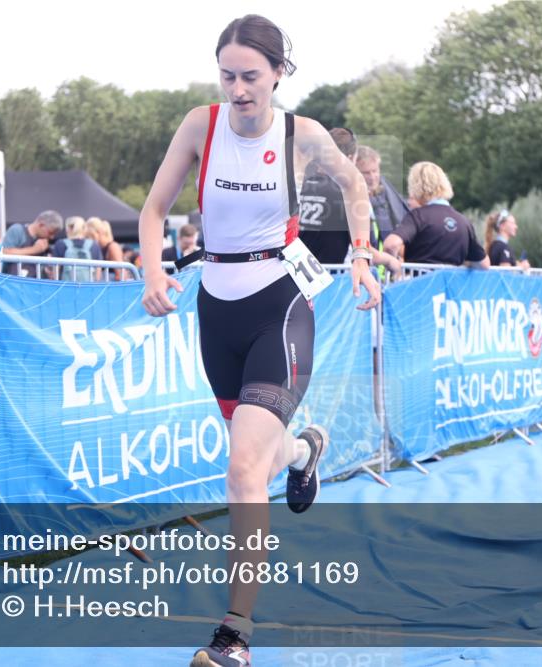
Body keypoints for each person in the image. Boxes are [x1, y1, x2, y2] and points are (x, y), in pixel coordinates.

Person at [136, 15, 381, 667]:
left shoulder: (303, 135)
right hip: (216, 312)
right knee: (264, 459)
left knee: (243, 469)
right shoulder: (200, 125)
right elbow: (153, 209)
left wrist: (360, 255)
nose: (239, 89)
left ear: (277, 73)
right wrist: (154, 267)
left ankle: (234, 636)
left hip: (282, 304)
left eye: (250, 76)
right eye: (227, 76)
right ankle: (305, 449)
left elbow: (355, 185)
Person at [298, 130, 401, 276]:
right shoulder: (347, 194)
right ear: (350, 158)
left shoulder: (300, 185)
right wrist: (390, 261)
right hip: (331, 281)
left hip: (296, 276)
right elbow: (363, 250)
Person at [382, 161, 489, 268]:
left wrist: (394, 267)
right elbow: (484, 264)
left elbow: (391, 244)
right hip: (451, 284)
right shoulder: (464, 222)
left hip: (421, 283)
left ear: (415, 187)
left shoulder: (418, 216)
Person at [355, 145, 409, 242]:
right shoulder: (348, 200)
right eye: (366, 173)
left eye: (375, 171)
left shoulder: (388, 193)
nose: (372, 177)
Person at [1, 210, 62, 277]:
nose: (52, 237)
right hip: (11, 282)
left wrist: (48, 270)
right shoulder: (17, 230)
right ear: (41, 225)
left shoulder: (46, 243)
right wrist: (35, 249)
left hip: (34, 284)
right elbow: (5, 252)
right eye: (50, 233)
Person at [52, 216, 103, 281]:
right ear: (84, 228)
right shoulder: (94, 245)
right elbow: (98, 274)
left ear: (68, 228)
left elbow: (55, 272)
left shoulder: (60, 244)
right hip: (87, 287)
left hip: (66, 287)